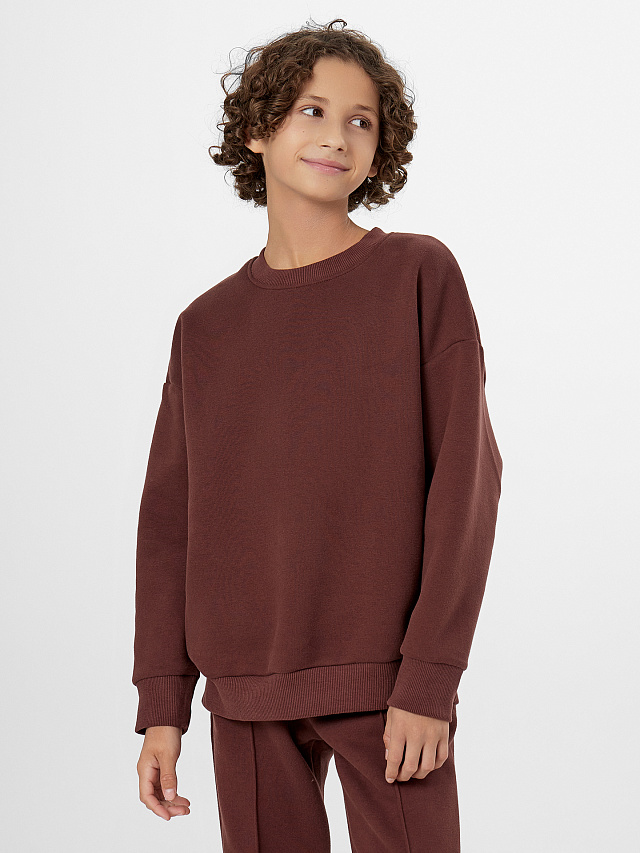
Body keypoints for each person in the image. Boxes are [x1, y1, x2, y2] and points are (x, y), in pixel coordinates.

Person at [132, 18, 503, 852]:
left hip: (389, 685)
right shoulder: (205, 327)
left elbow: (467, 484)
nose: (337, 134)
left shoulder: (418, 274)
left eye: (360, 120)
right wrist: (163, 705)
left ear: (380, 147)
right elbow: (169, 523)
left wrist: (430, 679)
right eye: (312, 110)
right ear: (257, 130)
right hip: (243, 689)